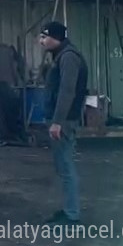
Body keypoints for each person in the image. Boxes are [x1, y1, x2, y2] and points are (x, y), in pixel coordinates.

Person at [38, 21, 87, 226]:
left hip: (64, 121)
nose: (41, 41)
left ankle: (72, 214)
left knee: (66, 167)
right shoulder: (61, 56)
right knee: (62, 166)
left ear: (55, 37)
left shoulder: (68, 57)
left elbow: (67, 91)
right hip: (62, 120)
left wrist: (57, 122)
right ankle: (68, 209)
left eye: (44, 37)